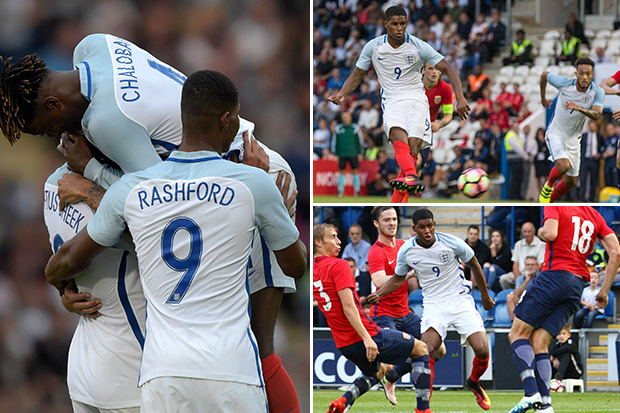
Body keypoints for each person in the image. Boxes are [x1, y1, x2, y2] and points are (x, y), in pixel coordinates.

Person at [0, 34, 304, 413]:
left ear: (52, 103)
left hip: (247, 180)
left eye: (44, 127)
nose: (54, 137)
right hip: (221, 177)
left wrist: (91, 174)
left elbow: (164, 206)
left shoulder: (105, 121)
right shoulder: (92, 47)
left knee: (258, 349)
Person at [328, 5, 469, 197]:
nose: (399, 28)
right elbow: (357, 74)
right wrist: (343, 93)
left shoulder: (418, 46)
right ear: (385, 24)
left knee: (411, 153)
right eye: (394, 24)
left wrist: (460, 99)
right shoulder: (373, 46)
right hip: (392, 100)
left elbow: (449, 69)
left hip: (418, 101)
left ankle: (403, 189)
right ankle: (411, 176)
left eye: (403, 24)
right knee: (396, 136)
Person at [368, 208, 495, 411]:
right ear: (414, 229)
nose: (427, 231)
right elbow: (399, 278)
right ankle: (423, 408)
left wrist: (485, 296)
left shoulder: (452, 242)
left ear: (434, 225)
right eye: (422, 227)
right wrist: (380, 294)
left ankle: (473, 382)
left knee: (482, 349)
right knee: (427, 351)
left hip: (460, 300)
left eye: (430, 226)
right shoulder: (407, 250)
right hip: (434, 304)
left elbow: (475, 265)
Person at [44, 160, 145, 413]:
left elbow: (65, 265)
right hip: (131, 367)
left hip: (84, 366)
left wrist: (63, 289)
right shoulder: (122, 188)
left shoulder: (52, 183)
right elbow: (158, 241)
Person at [508, 206, 620, 413]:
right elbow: (616, 251)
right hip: (576, 286)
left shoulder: (555, 203)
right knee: (540, 342)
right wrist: (603, 291)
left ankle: (530, 392)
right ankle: (545, 405)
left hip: (554, 275)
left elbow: (550, 233)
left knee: (516, 333)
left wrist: (540, 232)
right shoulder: (595, 215)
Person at [312, 224, 432, 413]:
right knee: (421, 348)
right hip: (365, 334)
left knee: (377, 371)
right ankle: (423, 410)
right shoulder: (339, 265)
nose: (339, 241)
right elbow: (349, 307)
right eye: (333, 237)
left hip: (344, 344)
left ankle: (344, 401)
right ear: (318, 242)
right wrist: (368, 338)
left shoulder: (313, 270)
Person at [365, 206, 431, 405]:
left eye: (394, 219)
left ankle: (392, 378)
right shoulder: (376, 252)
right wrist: (409, 274)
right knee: (384, 362)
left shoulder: (404, 245)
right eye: (386, 220)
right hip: (384, 315)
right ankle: (348, 397)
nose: (392, 223)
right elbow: (379, 282)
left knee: (438, 348)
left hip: (406, 313)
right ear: (376, 224)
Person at [538, 58, 604, 203]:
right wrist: (543, 99)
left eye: (588, 74)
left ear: (592, 75)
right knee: (563, 166)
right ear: (576, 74)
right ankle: (548, 186)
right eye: (581, 73)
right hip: (556, 133)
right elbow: (544, 75)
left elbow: (598, 115)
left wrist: (579, 107)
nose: (584, 77)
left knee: (571, 182)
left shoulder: (597, 92)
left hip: (574, 140)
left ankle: (549, 202)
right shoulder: (564, 84)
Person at [392, 61, 455, 202]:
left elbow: (449, 115)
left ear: (441, 72)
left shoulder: (445, 89)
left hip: (426, 132)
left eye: (437, 70)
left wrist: (439, 124)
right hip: (408, 128)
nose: (434, 72)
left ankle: (401, 194)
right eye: (430, 69)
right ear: (423, 71)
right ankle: (402, 193)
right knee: (415, 162)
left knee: (414, 169)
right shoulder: (414, 86)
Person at [499, 222, 545, 291]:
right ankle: (512, 296)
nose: (527, 234)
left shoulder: (541, 244)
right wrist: (518, 277)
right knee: (504, 279)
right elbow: (515, 264)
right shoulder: (518, 244)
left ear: (533, 232)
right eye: (524, 232)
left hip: (534, 273)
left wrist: (530, 275)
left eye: (529, 231)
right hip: (519, 273)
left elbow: (540, 265)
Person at [331, 111, 364, 197]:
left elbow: (359, 141)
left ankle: (357, 191)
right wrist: (335, 153)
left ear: (350, 118)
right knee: (342, 172)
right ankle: (340, 191)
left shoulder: (355, 128)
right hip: (342, 153)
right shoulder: (338, 128)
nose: (346, 118)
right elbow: (335, 142)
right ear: (342, 118)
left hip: (353, 153)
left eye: (347, 116)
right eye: (344, 117)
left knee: (355, 172)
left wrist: (360, 152)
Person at [506, 256, 540, 320]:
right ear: (525, 266)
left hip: (537, 303)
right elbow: (516, 293)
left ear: (537, 266)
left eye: (532, 265)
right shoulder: (521, 278)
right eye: (528, 265)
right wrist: (527, 280)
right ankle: (514, 323)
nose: (530, 267)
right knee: (510, 297)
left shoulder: (541, 277)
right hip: (523, 303)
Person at [579, 120, 603, 202]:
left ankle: (591, 199)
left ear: (596, 126)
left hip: (594, 161)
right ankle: (582, 199)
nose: (592, 127)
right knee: (583, 180)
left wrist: (599, 154)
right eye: (591, 125)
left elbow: (602, 148)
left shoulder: (599, 136)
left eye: (594, 125)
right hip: (585, 160)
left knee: (593, 180)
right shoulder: (584, 136)